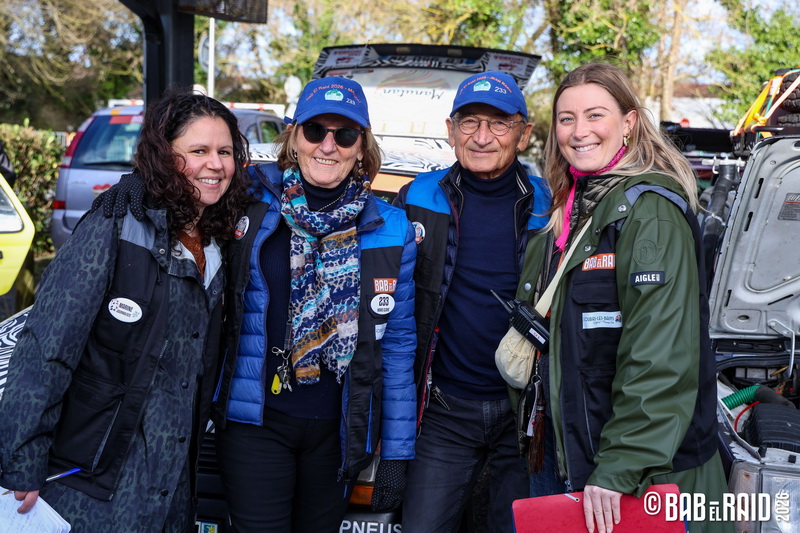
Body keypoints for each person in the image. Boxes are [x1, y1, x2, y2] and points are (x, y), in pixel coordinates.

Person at [0, 88, 251, 532]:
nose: (215, 164)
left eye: (225, 151)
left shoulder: (219, 241)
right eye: (198, 151)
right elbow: (46, 348)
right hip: (90, 480)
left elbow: (303, 171)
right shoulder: (115, 224)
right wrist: (22, 460)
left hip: (170, 486)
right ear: (163, 155)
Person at [518, 62, 730, 533]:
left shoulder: (649, 212)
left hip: (638, 477)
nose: (579, 131)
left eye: (595, 115)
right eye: (567, 119)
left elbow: (660, 356)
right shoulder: (571, 211)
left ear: (629, 123)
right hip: (572, 457)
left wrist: (621, 466)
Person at [209, 77, 417, 532]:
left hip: (338, 434)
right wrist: (134, 185)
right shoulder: (247, 200)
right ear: (293, 137)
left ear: (361, 147)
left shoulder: (392, 228)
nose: (328, 145)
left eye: (345, 135)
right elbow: (186, 186)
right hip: (255, 424)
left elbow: (398, 346)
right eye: (315, 130)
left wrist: (398, 452)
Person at [393, 71, 551, 532]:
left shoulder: (552, 206)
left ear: (524, 133)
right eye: (469, 122)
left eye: (499, 123)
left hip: (525, 413)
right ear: (450, 130)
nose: (482, 137)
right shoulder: (417, 198)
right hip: (444, 410)